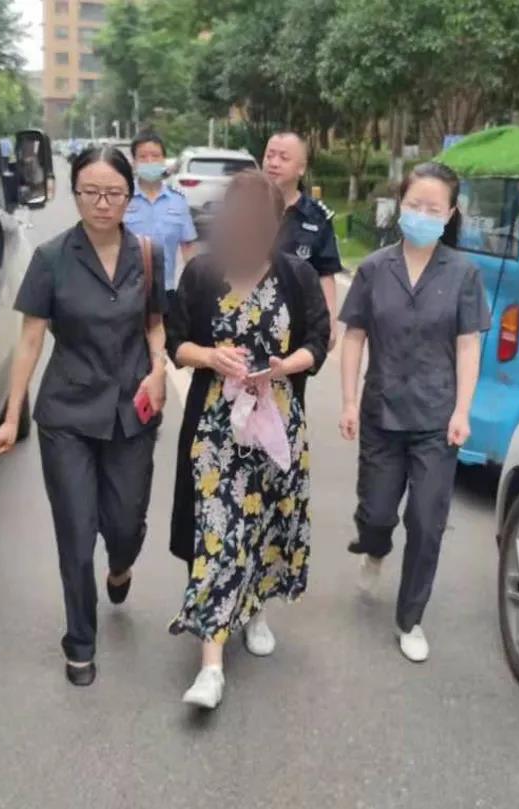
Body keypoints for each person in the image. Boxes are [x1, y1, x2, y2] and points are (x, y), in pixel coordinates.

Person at [0, 146, 166, 688]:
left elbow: (155, 323)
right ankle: (80, 642)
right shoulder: (52, 259)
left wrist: (159, 369)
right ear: (74, 195)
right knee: (75, 531)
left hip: (131, 412)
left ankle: (121, 565)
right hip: (67, 414)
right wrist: (12, 416)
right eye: (91, 192)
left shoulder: (148, 254)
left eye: (113, 193)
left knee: (125, 523)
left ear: (129, 197)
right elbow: (29, 341)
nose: (102, 203)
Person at [166, 171, 329, 709]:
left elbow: (318, 342)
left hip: (277, 427)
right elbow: (176, 344)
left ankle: (256, 610)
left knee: (266, 526)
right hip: (216, 431)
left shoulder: (296, 276)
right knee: (218, 534)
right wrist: (211, 357)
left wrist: (283, 367)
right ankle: (211, 667)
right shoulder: (202, 273)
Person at [338, 162, 490, 664]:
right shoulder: (374, 268)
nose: (422, 215)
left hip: (436, 419)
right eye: (413, 205)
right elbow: (354, 336)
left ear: (450, 214)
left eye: (433, 208)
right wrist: (348, 401)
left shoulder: (464, 274)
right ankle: (374, 547)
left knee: (426, 522)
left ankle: (411, 619)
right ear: (399, 206)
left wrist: (463, 410)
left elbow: (468, 346)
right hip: (381, 412)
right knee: (377, 514)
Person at [264, 132, 343, 349]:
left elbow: (325, 271)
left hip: (296, 322)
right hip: (248, 316)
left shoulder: (317, 217)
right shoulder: (246, 206)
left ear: (301, 168)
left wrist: (330, 321)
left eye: (283, 158)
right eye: (269, 156)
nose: (274, 163)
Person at [124, 132, 198, 311]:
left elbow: (188, 248)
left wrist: (193, 286)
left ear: (164, 160)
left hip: (167, 291)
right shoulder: (122, 198)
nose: (149, 161)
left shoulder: (178, 201)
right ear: (134, 162)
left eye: (155, 156)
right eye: (143, 157)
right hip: (127, 291)